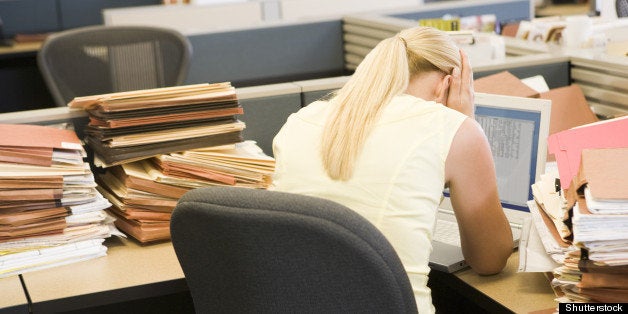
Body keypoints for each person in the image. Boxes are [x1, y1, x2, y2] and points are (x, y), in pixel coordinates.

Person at [270, 26, 513, 313]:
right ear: (448, 84)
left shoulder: (300, 120)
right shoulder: (452, 128)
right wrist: (461, 121)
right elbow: (489, 260)